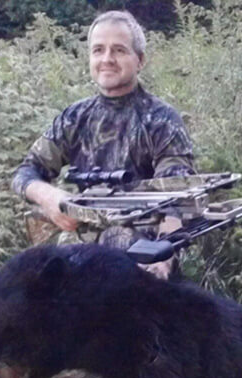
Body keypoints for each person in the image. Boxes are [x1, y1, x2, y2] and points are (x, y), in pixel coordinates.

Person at [12, 10, 195, 279]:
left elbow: (179, 199)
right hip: (78, 253)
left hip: (138, 258)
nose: (107, 59)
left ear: (140, 60)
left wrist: (162, 258)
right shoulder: (74, 117)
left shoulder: (161, 120)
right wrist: (50, 197)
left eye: (119, 50)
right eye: (98, 50)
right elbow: (25, 173)